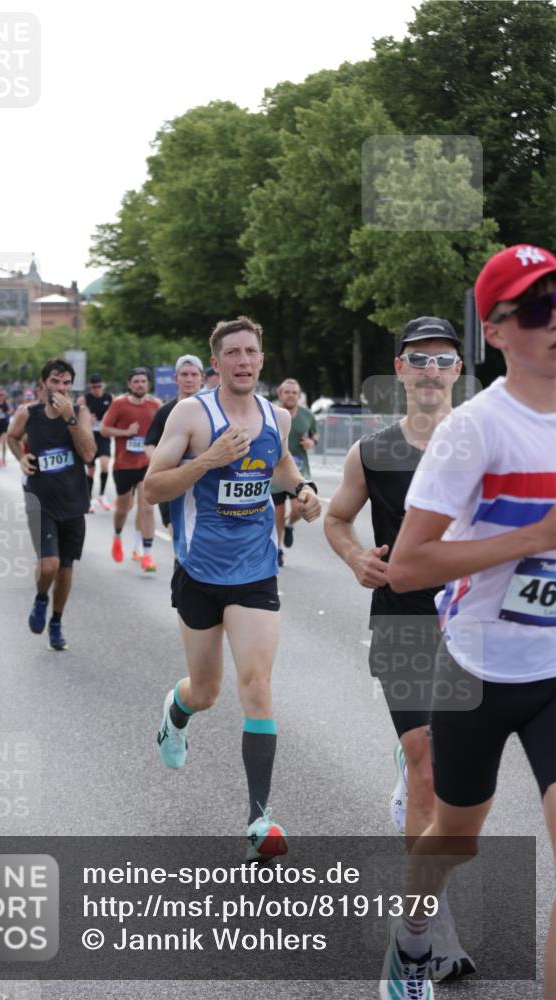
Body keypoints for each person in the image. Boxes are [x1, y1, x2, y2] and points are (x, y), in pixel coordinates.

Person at [380, 245, 556, 1000]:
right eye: (538, 309)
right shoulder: (474, 430)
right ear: (496, 328)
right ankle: (411, 940)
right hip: (476, 671)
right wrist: (531, 539)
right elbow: (409, 567)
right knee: (455, 839)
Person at [324, 317, 473, 981]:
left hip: (476, 627)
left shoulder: (484, 446)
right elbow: (334, 518)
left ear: (457, 370)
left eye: (442, 361)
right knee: (428, 770)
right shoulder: (372, 452)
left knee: (457, 788)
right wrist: (355, 555)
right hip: (403, 622)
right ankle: (427, 932)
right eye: (418, 360)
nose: (430, 372)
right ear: (400, 368)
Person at [144, 316, 321, 859]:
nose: (243, 361)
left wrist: (304, 488)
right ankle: (176, 713)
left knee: (257, 686)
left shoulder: (278, 416)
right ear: (215, 362)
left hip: (255, 572)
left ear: (261, 360)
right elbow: (152, 488)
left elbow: (282, 464)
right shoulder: (192, 414)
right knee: (207, 690)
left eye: (251, 352)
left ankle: (259, 818)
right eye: (233, 353)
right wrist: (209, 460)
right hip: (199, 573)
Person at [7, 358, 95, 652]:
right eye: (55, 382)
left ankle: (56, 622)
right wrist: (20, 456)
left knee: (66, 570)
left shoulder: (80, 413)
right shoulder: (27, 413)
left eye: (67, 383)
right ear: (43, 383)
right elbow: (11, 437)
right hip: (40, 501)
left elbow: (89, 454)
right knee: (49, 565)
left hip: (73, 503)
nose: (61, 388)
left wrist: (70, 418)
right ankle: (41, 598)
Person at [100, 367, 160, 571]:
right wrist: (126, 432)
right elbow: (104, 430)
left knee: (147, 508)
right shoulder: (119, 405)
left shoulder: (155, 405)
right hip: (123, 466)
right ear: (129, 384)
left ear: (148, 384)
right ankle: (117, 536)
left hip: (146, 466)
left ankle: (147, 555)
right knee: (124, 509)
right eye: (136, 381)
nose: (140, 384)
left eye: (143, 381)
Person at [144, 354, 204, 541]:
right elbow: (149, 444)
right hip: (172, 482)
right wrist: (162, 464)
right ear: (175, 378)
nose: (189, 379)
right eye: (184, 374)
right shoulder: (165, 411)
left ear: (202, 378)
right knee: (178, 537)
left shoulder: (213, 409)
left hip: (203, 485)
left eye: (194, 374)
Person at [271, 378, 319, 567]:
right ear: (280, 394)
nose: (291, 395)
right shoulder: (272, 413)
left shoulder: (307, 415)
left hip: (299, 471)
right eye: (287, 392)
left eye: (294, 393)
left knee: (300, 507)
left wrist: (312, 443)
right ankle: (278, 549)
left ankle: (290, 524)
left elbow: (315, 434)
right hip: (275, 473)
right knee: (277, 513)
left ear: (299, 396)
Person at [79, 373, 113, 513]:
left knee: (105, 465)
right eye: (94, 387)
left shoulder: (110, 398)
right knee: (91, 470)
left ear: (103, 385)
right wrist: (87, 419)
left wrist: (108, 420)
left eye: (99, 386)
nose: (97, 389)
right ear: (90, 387)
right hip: (89, 437)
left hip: (103, 436)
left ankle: (102, 495)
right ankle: (89, 499)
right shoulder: (84, 399)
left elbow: (115, 415)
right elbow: (76, 418)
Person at [0, 387, 13, 468]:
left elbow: (11, 411)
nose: (1, 396)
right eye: (0, 395)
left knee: (4, 441)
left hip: (4, 424)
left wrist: (7, 412)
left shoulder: (6, 403)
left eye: (2, 395)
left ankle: (3, 459)